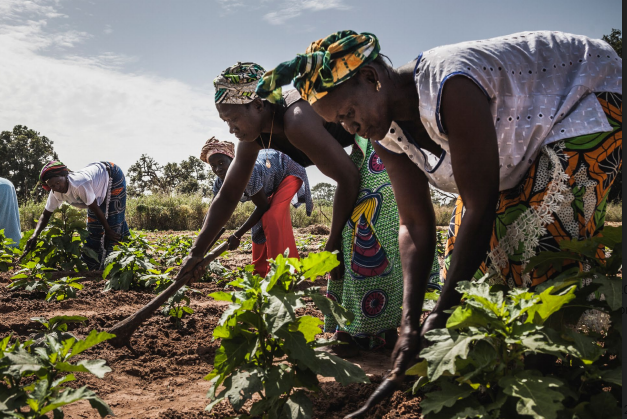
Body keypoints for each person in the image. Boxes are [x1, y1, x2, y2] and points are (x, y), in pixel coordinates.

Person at [266, 30, 622, 381]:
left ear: (371, 77)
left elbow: (481, 207)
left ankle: (566, 365)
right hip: (528, 139)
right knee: (463, 257)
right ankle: (503, 364)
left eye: (348, 112)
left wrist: (439, 314)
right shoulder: (386, 134)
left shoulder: (450, 86)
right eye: (340, 122)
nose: (351, 125)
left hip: (586, 93)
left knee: (545, 233)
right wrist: (410, 324)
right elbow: (415, 225)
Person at [180, 62, 414, 354]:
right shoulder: (252, 139)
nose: (231, 128)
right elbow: (227, 197)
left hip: (375, 143)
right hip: (357, 154)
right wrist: (195, 253)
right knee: (349, 238)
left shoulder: (296, 120)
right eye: (225, 121)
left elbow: (347, 178)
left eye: (233, 119)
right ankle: (363, 332)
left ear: (256, 105)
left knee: (361, 225)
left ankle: (367, 334)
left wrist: (331, 243)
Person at [201, 137, 312, 277]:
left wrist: (237, 235)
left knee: (272, 217)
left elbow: (262, 206)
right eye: (213, 165)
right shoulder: (219, 183)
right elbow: (214, 215)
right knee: (258, 225)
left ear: (233, 161)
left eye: (222, 163)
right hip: (270, 180)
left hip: (287, 170)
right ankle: (260, 273)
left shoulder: (248, 172)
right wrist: (200, 249)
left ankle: (281, 272)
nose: (218, 169)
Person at [27, 160, 130, 270]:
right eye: (52, 186)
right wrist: (35, 235)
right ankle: (91, 267)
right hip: (95, 187)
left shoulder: (79, 184)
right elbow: (45, 215)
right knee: (93, 230)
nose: (57, 187)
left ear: (65, 176)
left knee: (113, 227)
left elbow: (94, 207)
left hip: (111, 175)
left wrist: (108, 230)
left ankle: (115, 267)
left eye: (58, 183)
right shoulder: (55, 193)